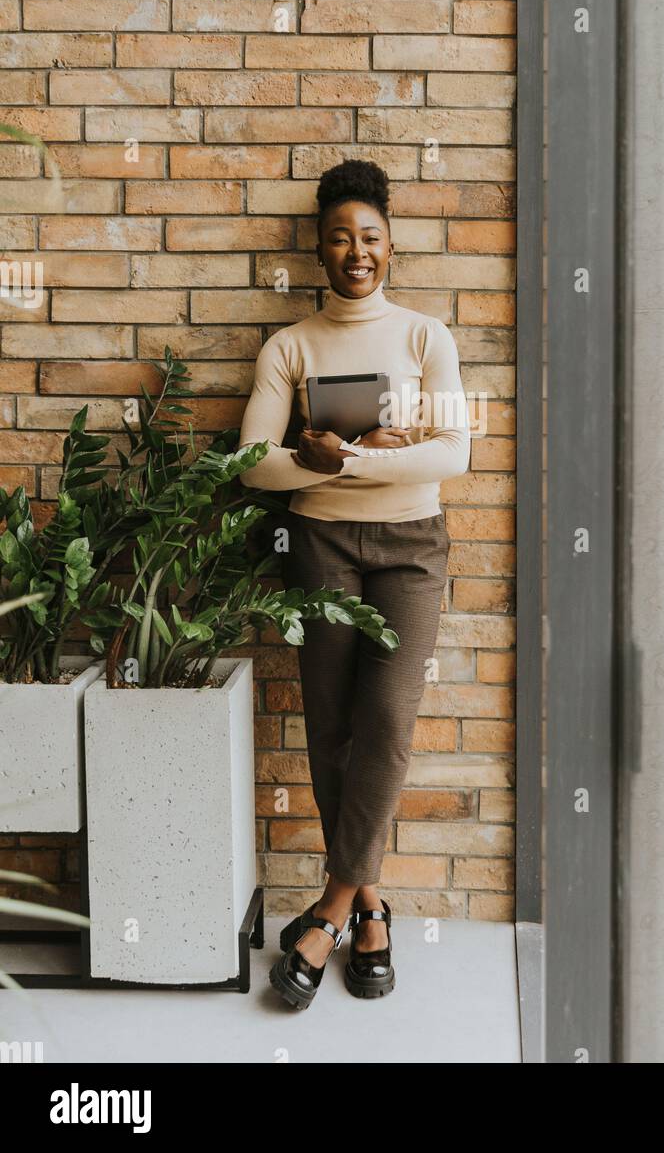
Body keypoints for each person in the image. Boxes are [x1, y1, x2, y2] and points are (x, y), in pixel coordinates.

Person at [238, 159, 471, 1008]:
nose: (355, 250)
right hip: (319, 544)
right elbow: (252, 463)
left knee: (387, 719)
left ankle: (331, 908)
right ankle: (373, 909)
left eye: (369, 236)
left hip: (413, 546)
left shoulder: (424, 336)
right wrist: (306, 458)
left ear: (391, 248)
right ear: (319, 249)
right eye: (339, 237)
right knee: (332, 721)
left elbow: (455, 456)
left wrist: (353, 460)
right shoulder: (291, 346)